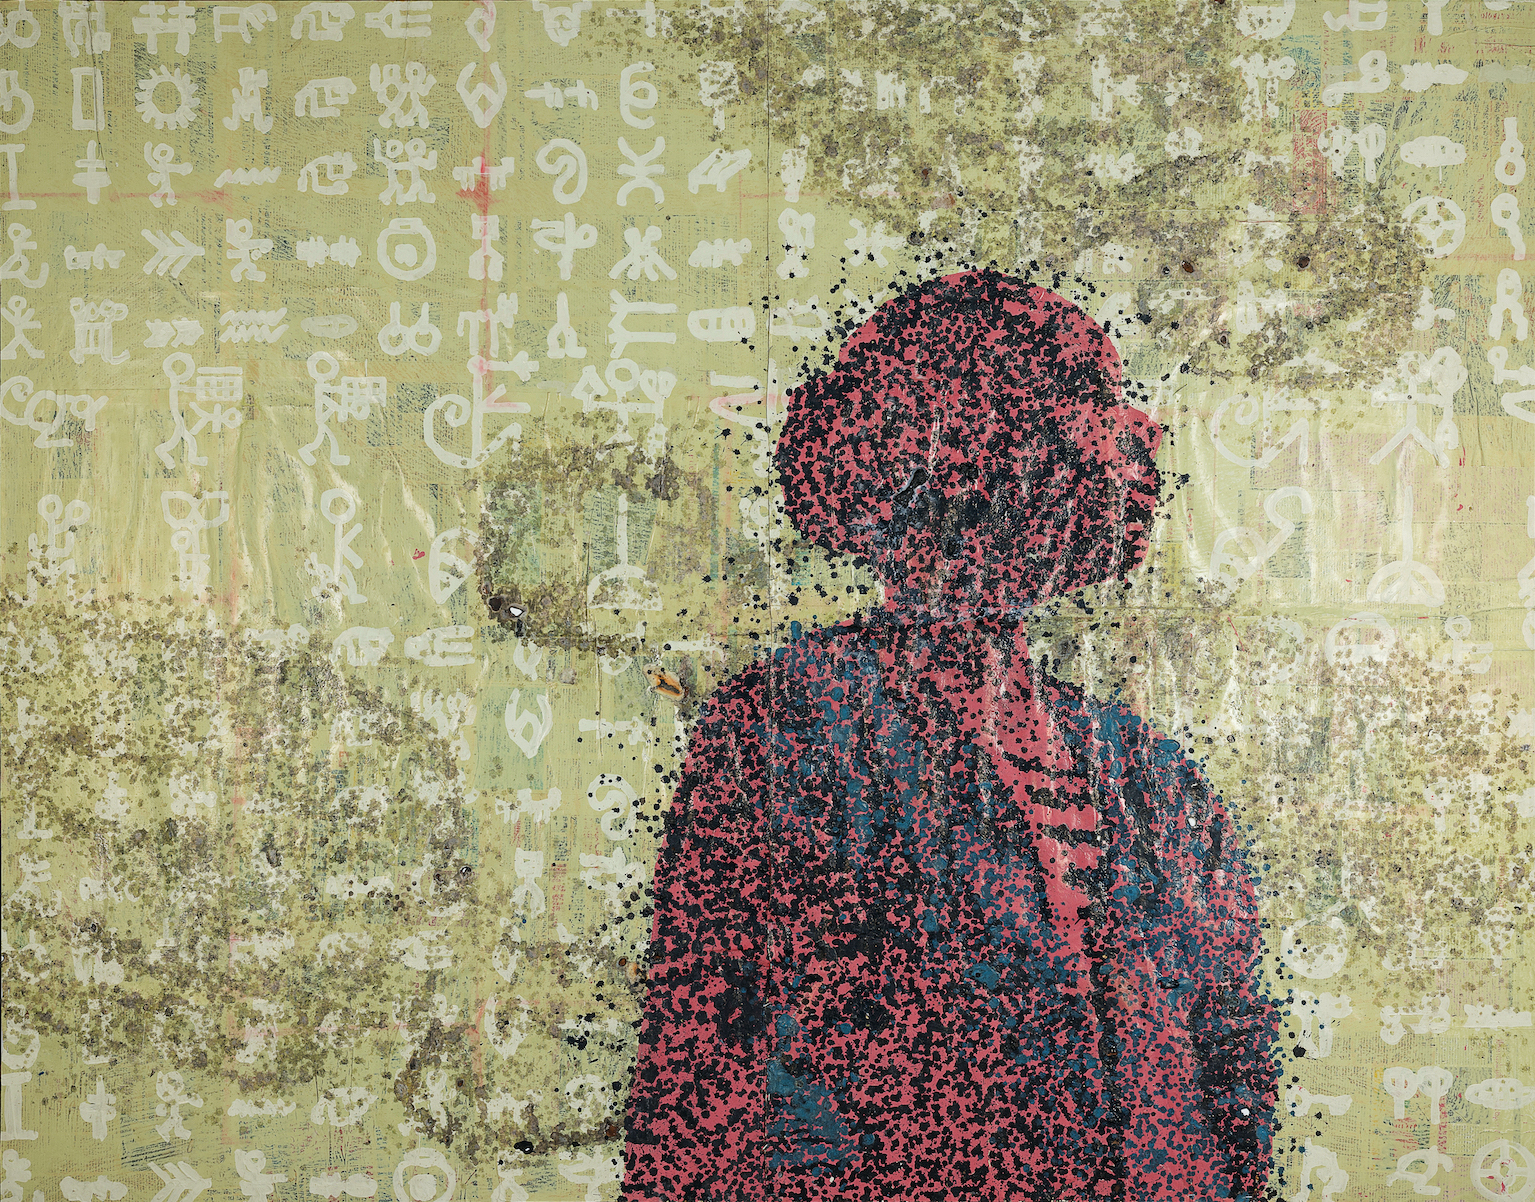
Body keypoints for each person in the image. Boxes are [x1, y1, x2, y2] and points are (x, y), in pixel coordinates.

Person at [622, 269, 1278, 1201]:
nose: (1141, 433)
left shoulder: (1149, 774)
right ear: (970, 442)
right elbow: (699, 1095)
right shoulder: (788, 728)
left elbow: (1234, 1065)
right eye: (1094, 398)